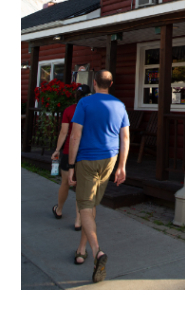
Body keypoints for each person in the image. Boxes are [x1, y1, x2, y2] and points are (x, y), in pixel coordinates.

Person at [67, 69, 129, 282]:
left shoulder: (84, 103)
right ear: (110, 83)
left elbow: (75, 136)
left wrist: (71, 165)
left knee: (84, 206)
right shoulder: (120, 106)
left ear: (94, 83)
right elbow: (125, 137)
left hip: (87, 159)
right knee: (91, 206)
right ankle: (81, 249)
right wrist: (122, 166)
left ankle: (96, 252)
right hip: (110, 160)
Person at [50, 83, 88, 230]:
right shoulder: (90, 111)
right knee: (81, 186)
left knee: (65, 182)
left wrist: (57, 150)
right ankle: (78, 220)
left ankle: (59, 210)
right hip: (85, 153)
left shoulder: (69, 110)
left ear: (75, 95)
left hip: (69, 151)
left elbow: (63, 132)